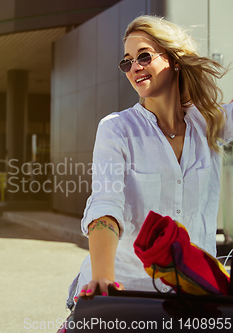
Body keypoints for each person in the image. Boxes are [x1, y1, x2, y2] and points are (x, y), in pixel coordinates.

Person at [68, 15, 233, 310]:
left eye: (143, 56)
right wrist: (104, 278)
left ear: (175, 60)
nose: (134, 68)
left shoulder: (208, 123)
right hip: (129, 295)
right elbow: (106, 206)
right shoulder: (116, 129)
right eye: (126, 62)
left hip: (197, 298)